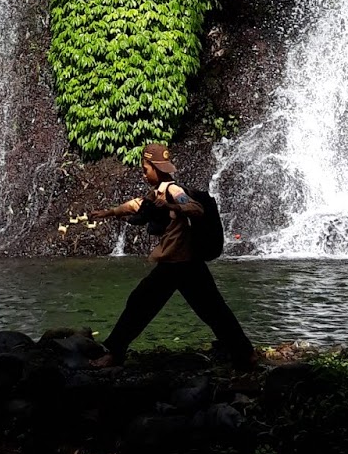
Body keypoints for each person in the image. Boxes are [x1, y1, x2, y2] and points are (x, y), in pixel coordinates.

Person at [89, 143, 256, 369]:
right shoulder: (157, 193)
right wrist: (109, 212)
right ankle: (244, 353)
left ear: (156, 169)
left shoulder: (174, 191)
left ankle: (114, 352)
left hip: (180, 265)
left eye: (145, 169)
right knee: (212, 309)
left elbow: (196, 208)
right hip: (182, 265)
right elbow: (137, 205)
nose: (143, 174)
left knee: (142, 303)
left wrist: (173, 207)